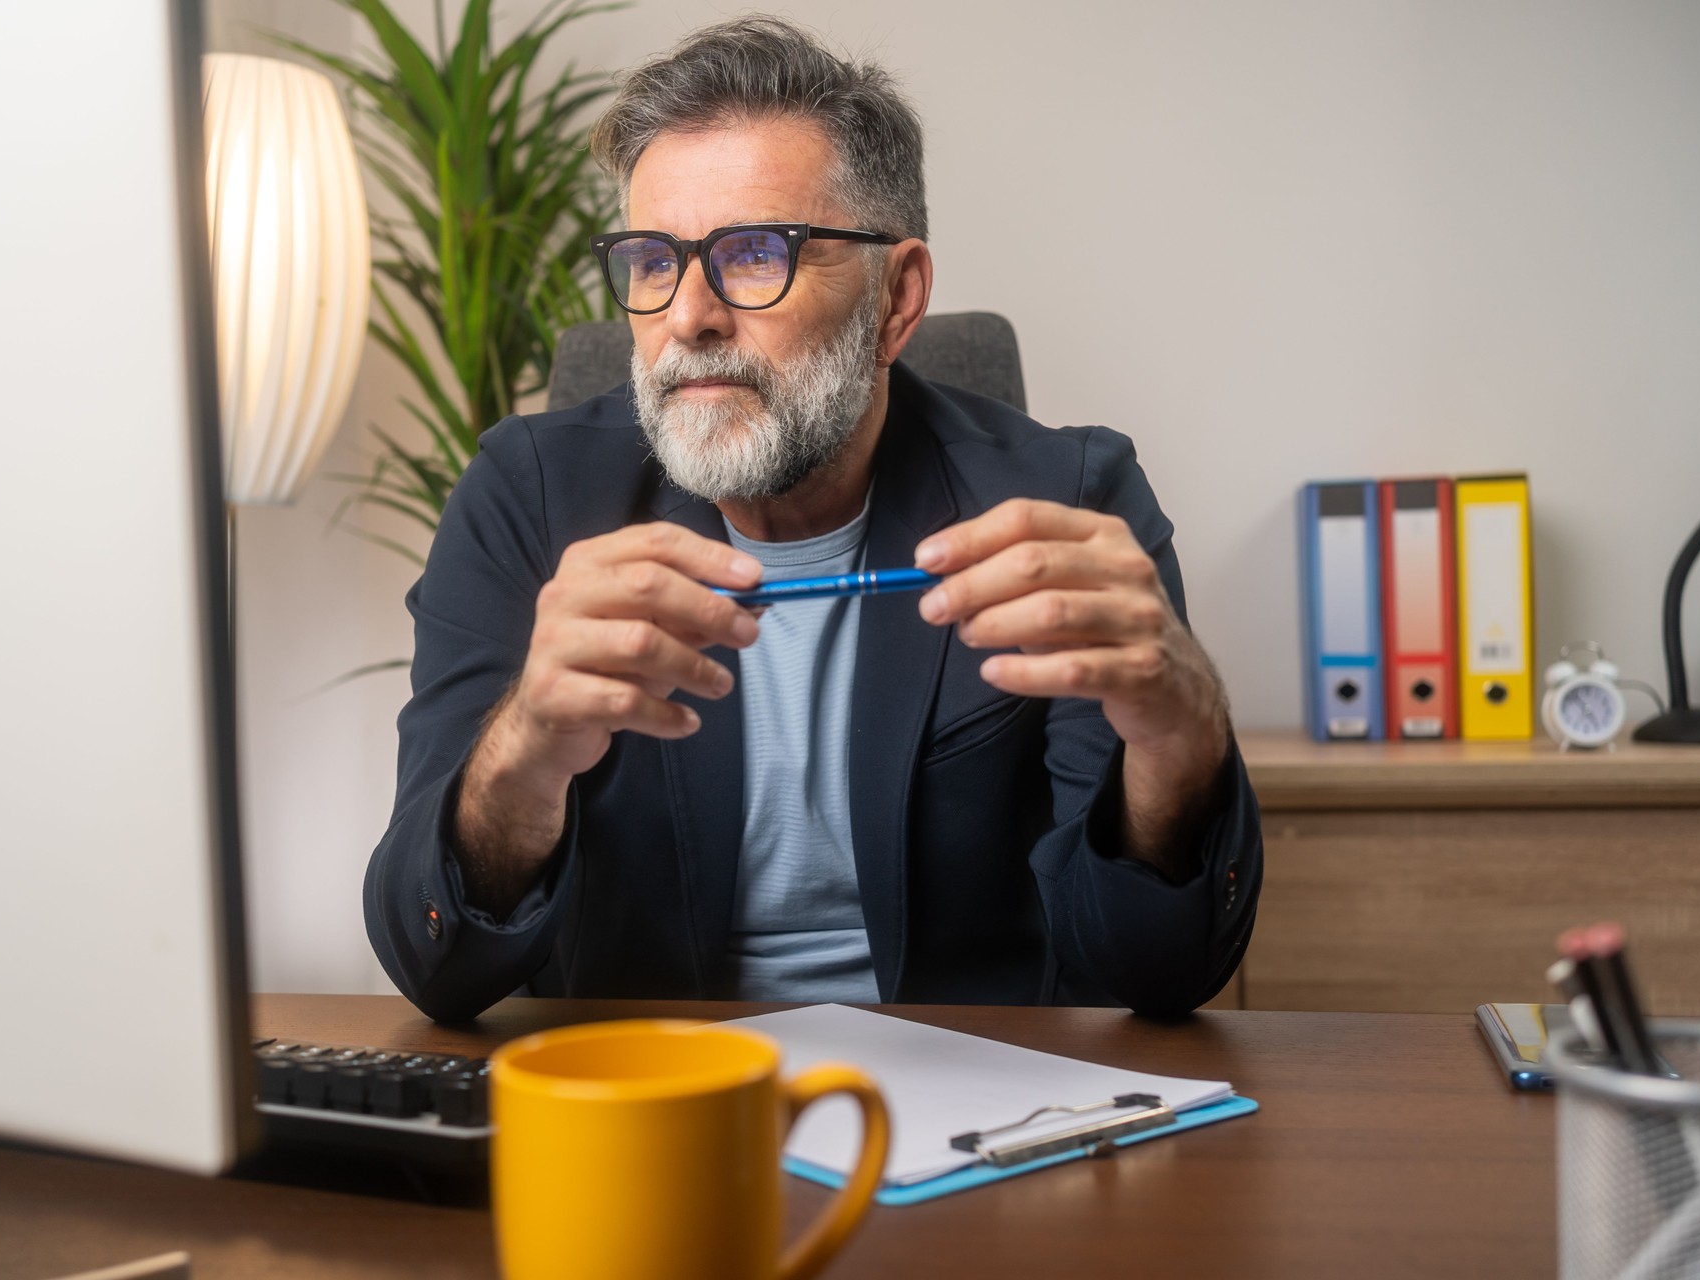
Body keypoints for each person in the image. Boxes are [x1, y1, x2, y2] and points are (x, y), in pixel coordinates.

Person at [364, 16, 1263, 1021]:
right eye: (653, 260)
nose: (687, 315)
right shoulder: (524, 501)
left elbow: (1159, 972)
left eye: (754, 254)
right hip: (652, 1109)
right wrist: (523, 748)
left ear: (897, 300)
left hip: (974, 1118)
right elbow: (432, 962)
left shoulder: (1068, 501)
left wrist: (1184, 744)